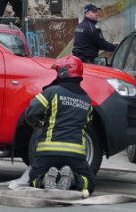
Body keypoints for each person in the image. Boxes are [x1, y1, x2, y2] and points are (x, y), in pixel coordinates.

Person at [24, 55, 95, 194]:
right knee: (89, 183)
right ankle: (73, 179)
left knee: (33, 179)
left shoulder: (52, 92)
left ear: (63, 72)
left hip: (48, 151)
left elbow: (30, 112)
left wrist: (38, 123)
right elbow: (87, 124)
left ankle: (44, 179)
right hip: (75, 154)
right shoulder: (87, 100)